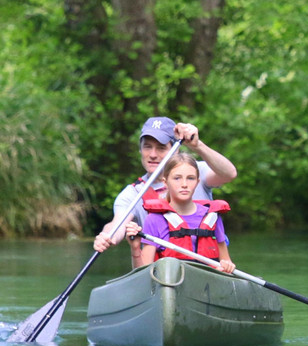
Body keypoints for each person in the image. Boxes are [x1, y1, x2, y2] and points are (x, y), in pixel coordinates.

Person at [93, 116, 236, 267]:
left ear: (175, 150)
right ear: (140, 149)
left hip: (206, 269)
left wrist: (197, 146)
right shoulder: (132, 194)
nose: (153, 154)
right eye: (147, 147)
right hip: (161, 273)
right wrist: (107, 236)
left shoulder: (194, 172)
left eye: (161, 148)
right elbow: (117, 226)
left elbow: (229, 174)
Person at [130, 152, 236, 273]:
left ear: (197, 182)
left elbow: (227, 262)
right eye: (177, 178)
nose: (184, 184)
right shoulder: (154, 219)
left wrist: (226, 267)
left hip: (207, 287)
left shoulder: (212, 217)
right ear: (165, 182)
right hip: (169, 285)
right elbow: (142, 273)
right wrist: (135, 248)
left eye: (190, 178)